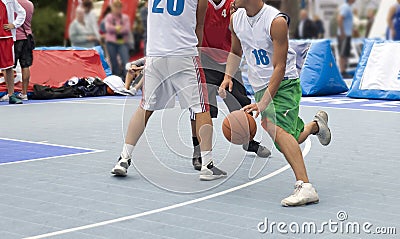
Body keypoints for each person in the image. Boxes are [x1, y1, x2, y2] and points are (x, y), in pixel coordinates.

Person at [220, 0, 331, 206]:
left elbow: (279, 67)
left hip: (284, 84)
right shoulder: (236, 20)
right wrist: (227, 76)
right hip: (261, 85)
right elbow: (236, 52)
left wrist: (262, 104)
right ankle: (315, 125)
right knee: (289, 139)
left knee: (277, 130)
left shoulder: (275, 21)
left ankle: (305, 187)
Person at [111, 0, 227, 181]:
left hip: (156, 54)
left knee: (145, 107)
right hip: (184, 53)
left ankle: (124, 158)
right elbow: (199, 25)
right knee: (201, 108)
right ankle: (207, 165)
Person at [190, 0, 270, 171]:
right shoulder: (201, 3)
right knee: (201, 109)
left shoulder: (234, 4)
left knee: (242, 105)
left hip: (228, 60)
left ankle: (248, 141)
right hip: (204, 59)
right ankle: (198, 151)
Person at [0, 0, 26, 104]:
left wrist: (14, 24)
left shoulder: (10, 0)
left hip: (6, 37)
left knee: (9, 67)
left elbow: (22, 12)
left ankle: (11, 95)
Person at [12, 0, 33, 101]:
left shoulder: (11, 4)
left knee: (10, 67)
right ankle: (24, 93)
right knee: (26, 66)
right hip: (27, 37)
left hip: (15, 38)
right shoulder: (29, 4)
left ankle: (9, 93)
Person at [104, 1, 130, 77]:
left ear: (121, 8)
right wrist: (119, 28)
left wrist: (114, 29)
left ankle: (127, 77)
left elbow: (127, 29)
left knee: (125, 61)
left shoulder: (125, 17)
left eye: (119, 8)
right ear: (112, 8)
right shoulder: (109, 17)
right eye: (115, 7)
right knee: (113, 62)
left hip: (122, 42)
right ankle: (117, 79)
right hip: (111, 43)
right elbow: (108, 28)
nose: (117, 9)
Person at [337, 0, 356, 79]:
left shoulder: (347, 7)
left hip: (347, 34)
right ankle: (342, 71)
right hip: (344, 34)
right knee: (343, 53)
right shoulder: (346, 7)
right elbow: (340, 19)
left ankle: (344, 70)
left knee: (345, 53)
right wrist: (342, 32)